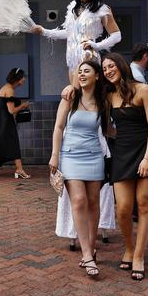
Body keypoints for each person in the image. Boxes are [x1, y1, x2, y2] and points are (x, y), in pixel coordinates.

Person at [102, 53, 148, 280]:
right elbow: (109, 129)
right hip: (122, 153)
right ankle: (129, 247)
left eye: (111, 66)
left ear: (121, 66)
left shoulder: (143, 90)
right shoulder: (109, 96)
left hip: (147, 151)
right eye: (104, 69)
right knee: (122, 209)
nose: (108, 71)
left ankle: (138, 255)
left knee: (144, 203)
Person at [49, 60, 106, 278]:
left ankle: (90, 249)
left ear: (97, 76)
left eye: (87, 71)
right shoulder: (70, 98)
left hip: (94, 156)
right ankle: (87, 254)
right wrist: (55, 155)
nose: (81, 74)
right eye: (79, 71)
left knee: (94, 203)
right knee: (79, 200)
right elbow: (58, 127)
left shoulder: (103, 100)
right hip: (70, 155)